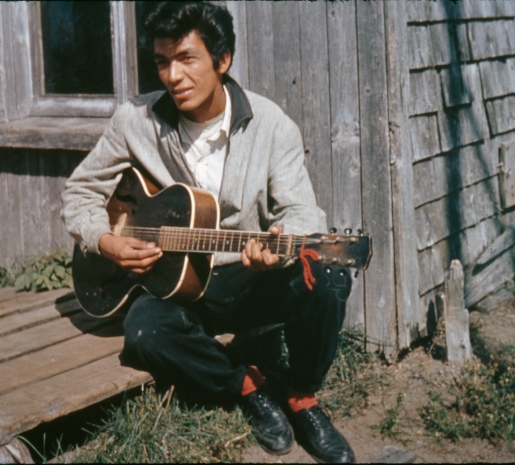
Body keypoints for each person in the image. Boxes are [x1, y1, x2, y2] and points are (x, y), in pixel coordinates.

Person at [61, 2, 354, 462]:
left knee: (330, 276)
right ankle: (245, 384)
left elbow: (304, 216)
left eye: (186, 59)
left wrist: (277, 246)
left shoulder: (272, 125)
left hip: (247, 276)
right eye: (162, 62)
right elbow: (80, 191)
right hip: (177, 286)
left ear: (223, 61)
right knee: (143, 332)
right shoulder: (133, 121)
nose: (172, 75)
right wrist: (106, 241)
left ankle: (301, 396)